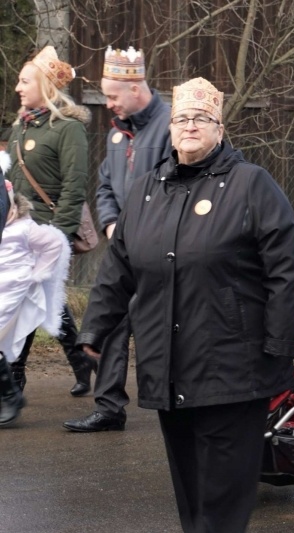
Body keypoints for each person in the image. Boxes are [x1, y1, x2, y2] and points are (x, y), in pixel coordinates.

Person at [75, 78, 294, 532]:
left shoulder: (250, 185)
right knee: (191, 493)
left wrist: (279, 345)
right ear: (171, 129)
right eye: (181, 118)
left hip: (234, 368)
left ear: (220, 128)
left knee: (220, 501)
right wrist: (94, 331)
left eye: (202, 119)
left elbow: (285, 270)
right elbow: (118, 269)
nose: (190, 126)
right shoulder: (144, 192)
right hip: (169, 365)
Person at [63, 46, 172, 433]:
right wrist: (111, 225)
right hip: (123, 249)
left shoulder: (172, 126)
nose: (108, 104)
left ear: (135, 86)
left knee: (159, 328)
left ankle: (172, 403)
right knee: (110, 323)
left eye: (112, 96)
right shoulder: (116, 136)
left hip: (162, 250)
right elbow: (106, 186)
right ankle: (109, 407)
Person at [7, 46, 97, 396]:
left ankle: (13, 378)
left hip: (45, 234)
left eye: (25, 80)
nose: (18, 86)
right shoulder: (21, 127)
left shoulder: (68, 129)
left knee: (26, 300)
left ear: (45, 85)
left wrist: (57, 238)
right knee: (44, 301)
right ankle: (82, 360)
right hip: (17, 235)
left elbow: (75, 188)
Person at [0, 180, 71, 426]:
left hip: (14, 292)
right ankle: (10, 396)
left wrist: (38, 273)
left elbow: (54, 244)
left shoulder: (24, 228)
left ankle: (11, 397)